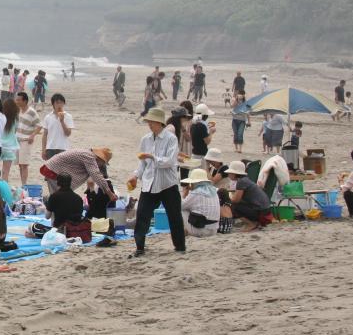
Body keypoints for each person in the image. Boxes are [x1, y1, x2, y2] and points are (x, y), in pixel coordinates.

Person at [126, 108, 186, 258]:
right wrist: (135, 176)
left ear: (160, 123)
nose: (150, 124)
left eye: (152, 122)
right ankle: (139, 247)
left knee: (174, 216)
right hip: (149, 183)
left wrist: (152, 157)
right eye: (148, 122)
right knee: (142, 215)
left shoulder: (171, 139)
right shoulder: (145, 139)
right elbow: (143, 164)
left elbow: (169, 161)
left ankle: (180, 246)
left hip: (167, 183)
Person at [41, 147, 115, 200]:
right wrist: (110, 193)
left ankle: (51, 204)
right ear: (100, 159)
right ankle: (53, 211)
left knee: (60, 196)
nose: (101, 165)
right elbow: (96, 175)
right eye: (103, 163)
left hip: (54, 169)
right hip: (53, 170)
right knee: (59, 197)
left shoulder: (89, 155)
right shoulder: (89, 157)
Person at [223, 160, 272, 231]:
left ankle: (251, 224)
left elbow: (236, 200)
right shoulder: (245, 180)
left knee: (232, 205)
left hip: (261, 213)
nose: (228, 175)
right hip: (265, 210)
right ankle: (255, 222)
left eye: (230, 173)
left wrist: (226, 198)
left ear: (234, 173)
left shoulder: (241, 182)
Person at [180, 168, 220, 238]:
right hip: (214, 230)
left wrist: (184, 194)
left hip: (201, 230)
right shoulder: (214, 190)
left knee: (182, 210)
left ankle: (183, 230)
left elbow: (180, 206)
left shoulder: (196, 192)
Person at [14, 91, 42, 187]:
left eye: (18, 100)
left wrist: (32, 135)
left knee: (24, 164)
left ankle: (24, 185)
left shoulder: (31, 112)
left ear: (25, 101)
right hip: (17, 140)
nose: (16, 101)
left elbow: (39, 126)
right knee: (20, 164)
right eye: (16, 99)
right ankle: (23, 184)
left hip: (26, 140)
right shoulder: (18, 110)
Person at [41, 93, 73, 160]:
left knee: (62, 170)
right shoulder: (48, 117)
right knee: (50, 169)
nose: (59, 105)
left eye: (61, 103)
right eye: (57, 103)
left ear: (64, 104)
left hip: (63, 148)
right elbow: (45, 135)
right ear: (53, 104)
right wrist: (43, 150)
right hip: (50, 148)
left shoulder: (68, 116)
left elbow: (68, 133)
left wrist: (62, 121)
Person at [0, 97, 20, 181]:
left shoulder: (0, 117)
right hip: (10, 146)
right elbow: (15, 131)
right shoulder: (15, 118)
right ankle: (4, 188)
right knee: (6, 172)